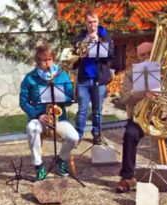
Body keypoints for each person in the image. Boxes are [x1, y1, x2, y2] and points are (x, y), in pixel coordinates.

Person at [116, 42, 167, 193]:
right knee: (130, 134)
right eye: (142, 55)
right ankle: (127, 177)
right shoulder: (132, 73)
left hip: (162, 119)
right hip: (140, 118)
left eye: (149, 53)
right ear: (138, 57)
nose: (146, 57)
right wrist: (143, 92)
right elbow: (125, 98)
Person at [20, 43, 79, 181]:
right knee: (31, 128)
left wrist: (63, 98)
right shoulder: (30, 78)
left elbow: (70, 99)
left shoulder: (62, 76)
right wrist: (37, 115)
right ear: (37, 61)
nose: (47, 63)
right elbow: (23, 102)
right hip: (40, 119)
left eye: (49, 59)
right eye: (43, 60)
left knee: (74, 137)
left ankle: (61, 160)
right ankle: (38, 166)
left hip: (59, 119)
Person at [73, 9, 114, 144]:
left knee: (98, 110)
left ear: (98, 21)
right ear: (85, 23)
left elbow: (111, 53)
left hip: (99, 79)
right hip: (84, 79)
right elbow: (75, 53)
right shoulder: (81, 36)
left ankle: (96, 134)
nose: (92, 25)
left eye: (95, 22)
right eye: (89, 22)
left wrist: (98, 42)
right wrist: (86, 42)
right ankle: (78, 135)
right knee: (82, 110)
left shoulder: (105, 36)